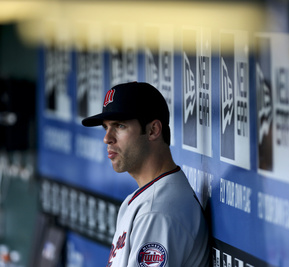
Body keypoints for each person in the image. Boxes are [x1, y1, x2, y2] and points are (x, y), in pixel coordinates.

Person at [82, 82, 210, 267]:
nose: (107, 138)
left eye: (119, 126)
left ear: (153, 130)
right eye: (106, 127)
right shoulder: (147, 199)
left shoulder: (157, 211)